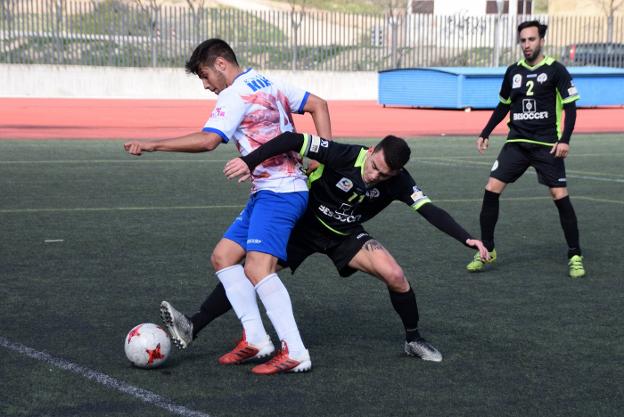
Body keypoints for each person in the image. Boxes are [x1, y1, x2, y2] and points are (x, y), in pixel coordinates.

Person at [162, 133, 489, 363]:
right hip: (305, 227)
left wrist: (467, 238)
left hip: (345, 235)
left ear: (397, 172)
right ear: (372, 149)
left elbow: (430, 210)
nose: (374, 175)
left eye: (384, 174)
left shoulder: (399, 181)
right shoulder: (344, 154)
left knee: (396, 275)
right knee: (253, 271)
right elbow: (291, 139)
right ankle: (193, 324)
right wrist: (250, 161)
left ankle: (413, 339)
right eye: (374, 166)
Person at [123, 38, 332, 375]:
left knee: (258, 269)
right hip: (268, 191)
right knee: (223, 257)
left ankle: (295, 351)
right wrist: (323, 157)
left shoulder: (235, 93)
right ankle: (257, 338)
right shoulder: (270, 81)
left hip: (280, 193)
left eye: (206, 76)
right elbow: (319, 105)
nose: (207, 86)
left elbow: (208, 141)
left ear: (221, 64)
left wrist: (152, 144)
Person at [465, 20, 585, 279]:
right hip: (516, 143)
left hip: (546, 144)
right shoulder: (513, 72)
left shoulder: (556, 70)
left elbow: (571, 108)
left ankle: (575, 254)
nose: (527, 45)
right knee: (491, 189)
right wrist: (485, 132)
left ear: (541, 40)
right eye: (523, 40)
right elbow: (503, 105)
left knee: (559, 194)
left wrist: (565, 139)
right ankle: (488, 249)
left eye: (531, 39)